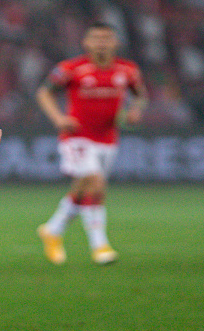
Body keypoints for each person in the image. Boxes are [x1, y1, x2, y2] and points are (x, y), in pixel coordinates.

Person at [35, 22, 147, 266]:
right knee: (95, 184)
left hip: (107, 139)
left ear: (116, 42)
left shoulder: (128, 70)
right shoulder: (71, 68)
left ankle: (53, 229)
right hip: (76, 136)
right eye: (96, 38)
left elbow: (139, 95)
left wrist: (135, 110)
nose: (102, 43)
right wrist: (58, 118)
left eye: (107, 38)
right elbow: (44, 92)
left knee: (83, 189)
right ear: (86, 42)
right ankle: (100, 246)